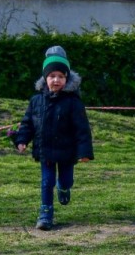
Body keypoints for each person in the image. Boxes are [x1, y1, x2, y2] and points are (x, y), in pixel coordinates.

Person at [13, 46, 94, 231]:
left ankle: (64, 188)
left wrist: (84, 152)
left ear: (67, 79)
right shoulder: (36, 101)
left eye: (61, 76)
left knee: (66, 180)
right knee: (46, 182)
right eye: (52, 76)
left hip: (67, 151)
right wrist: (21, 140)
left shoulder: (73, 102)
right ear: (45, 78)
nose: (56, 80)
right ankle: (45, 214)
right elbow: (28, 123)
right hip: (46, 150)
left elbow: (82, 129)